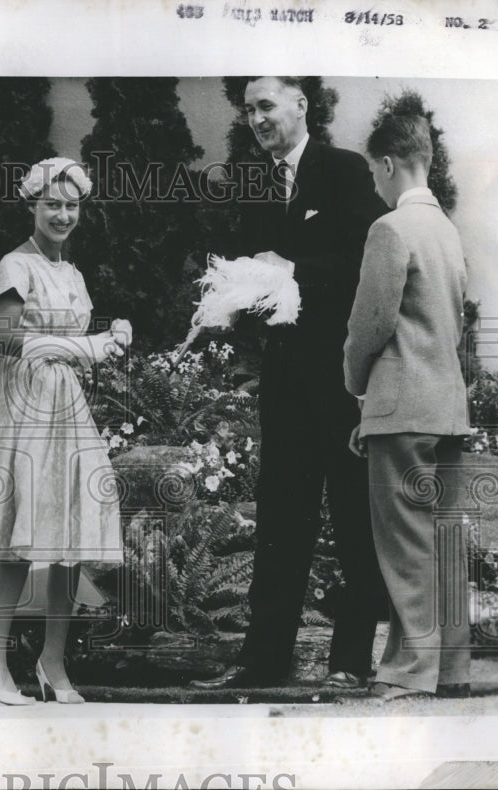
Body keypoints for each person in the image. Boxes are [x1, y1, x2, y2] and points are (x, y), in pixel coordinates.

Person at [192, 76, 390, 691]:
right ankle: (262, 661)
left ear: (301, 106)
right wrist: (235, 298)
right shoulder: (256, 183)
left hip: (341, 378)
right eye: (249, 109)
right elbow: (255, 268)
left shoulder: (343, 171)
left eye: (266, 105)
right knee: (280, 519)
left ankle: (351, 662)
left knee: (354, 517)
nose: (256, 118)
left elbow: (368, 259)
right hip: (281, 380)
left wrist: (294, 270)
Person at [0, 157, 130, 705]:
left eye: (72, 206)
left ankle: (53, 662)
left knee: (69, 536)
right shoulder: (15, 267)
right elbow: (4, 342)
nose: (63, 214)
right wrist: (90, 346)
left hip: (65, 411)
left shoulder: (71, 274)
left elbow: (70, 349)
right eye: (52, 204)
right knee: (20, 540)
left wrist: (109, 339)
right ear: (32, 205)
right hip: (23, 415)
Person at [343, 114, 471, 702]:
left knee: (406, 544)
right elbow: (458, 322)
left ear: (389, 164)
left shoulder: (389, 229)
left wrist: (356, 386)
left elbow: (370, 326)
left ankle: (409, 672)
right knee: (443, 541)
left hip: (401, 407)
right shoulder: (447, 232)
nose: (374, 182)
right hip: (447, 406)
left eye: (374, 170)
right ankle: (451, 669)